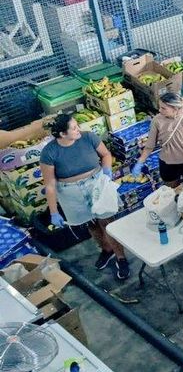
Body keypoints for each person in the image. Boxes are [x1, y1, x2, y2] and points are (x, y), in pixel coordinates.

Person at [40, 113, 130, 279]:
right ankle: (106, 249)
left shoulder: (88, 137)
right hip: (70, 192)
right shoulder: (49, 152)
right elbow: (50, 185)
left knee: (107, 222)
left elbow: (106, 155)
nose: (78, 129)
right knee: (91, 224)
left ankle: (121, 257)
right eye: (74, 128)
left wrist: (107, 171)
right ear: (62, 134)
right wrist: (53, 211)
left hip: (96, 184)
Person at [132, 92, 183, 188]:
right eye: (160, 107)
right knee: (171, 192)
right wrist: (140, 162)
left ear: (175, 109)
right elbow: (150, 146)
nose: (159, 110)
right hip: (168, 164)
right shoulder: (157, 121)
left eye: (163, 108)